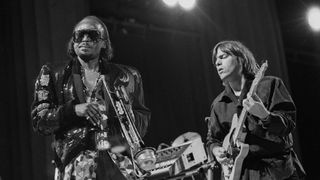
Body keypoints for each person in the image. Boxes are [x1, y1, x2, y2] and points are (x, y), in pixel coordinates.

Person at [31, 15, 151, 180]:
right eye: (79, 35)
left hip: (120, 164)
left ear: (104, 43)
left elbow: (142, 122)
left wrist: (124, 115)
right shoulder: (52, 73)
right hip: (75, 164)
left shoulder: (128, 76)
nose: (85, 39)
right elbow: (40, 121)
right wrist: (73, 110)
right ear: (73, 42)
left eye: (92, 35)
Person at [206, 40, 305, 179]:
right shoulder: (218, 104)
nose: (217, 63)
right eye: (216, 60)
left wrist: (265, 115)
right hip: (239, 174)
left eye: (223, 57)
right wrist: (216, 151)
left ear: (241, 58)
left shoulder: (270, 85)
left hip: (277, 172)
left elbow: (288, 125)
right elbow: (213, 139)